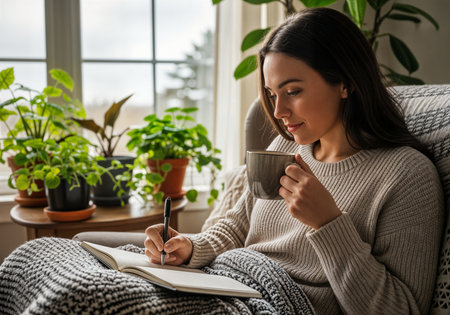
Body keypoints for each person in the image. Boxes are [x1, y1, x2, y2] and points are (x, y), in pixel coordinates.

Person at [144, 7, 444, 315]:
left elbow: (400, 309)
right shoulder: (285, 149)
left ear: (345, 82)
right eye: (273, 95)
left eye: (293, 91)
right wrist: (191, 248)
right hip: (229, 284)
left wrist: (328, 223)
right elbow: (239, 225)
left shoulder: (407, 175)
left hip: (277, 305)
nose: (278, 112)